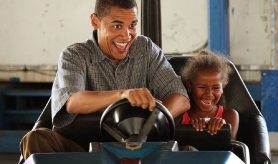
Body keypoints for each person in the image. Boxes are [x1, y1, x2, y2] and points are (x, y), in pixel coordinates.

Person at [19, 0, 190, 160]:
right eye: (117, 25)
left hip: (142, 150)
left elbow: (180, 97)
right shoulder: (75, 55)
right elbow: (72, 101)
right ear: (95, 21)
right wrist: (123, 95)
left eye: (132, 25)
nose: (127, 35)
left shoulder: (146, 49)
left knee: (190, 151)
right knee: (36, 138)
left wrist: (152, 123)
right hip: (86, 153)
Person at [177, 49, 239, 139]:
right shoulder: (179, 116)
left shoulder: (230, 116)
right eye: (202, 87)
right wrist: (192, 129)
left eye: (216, 88)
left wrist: (223, 128)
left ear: (222, 89)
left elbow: (231, 148)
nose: (209, 94)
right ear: (189, 86)